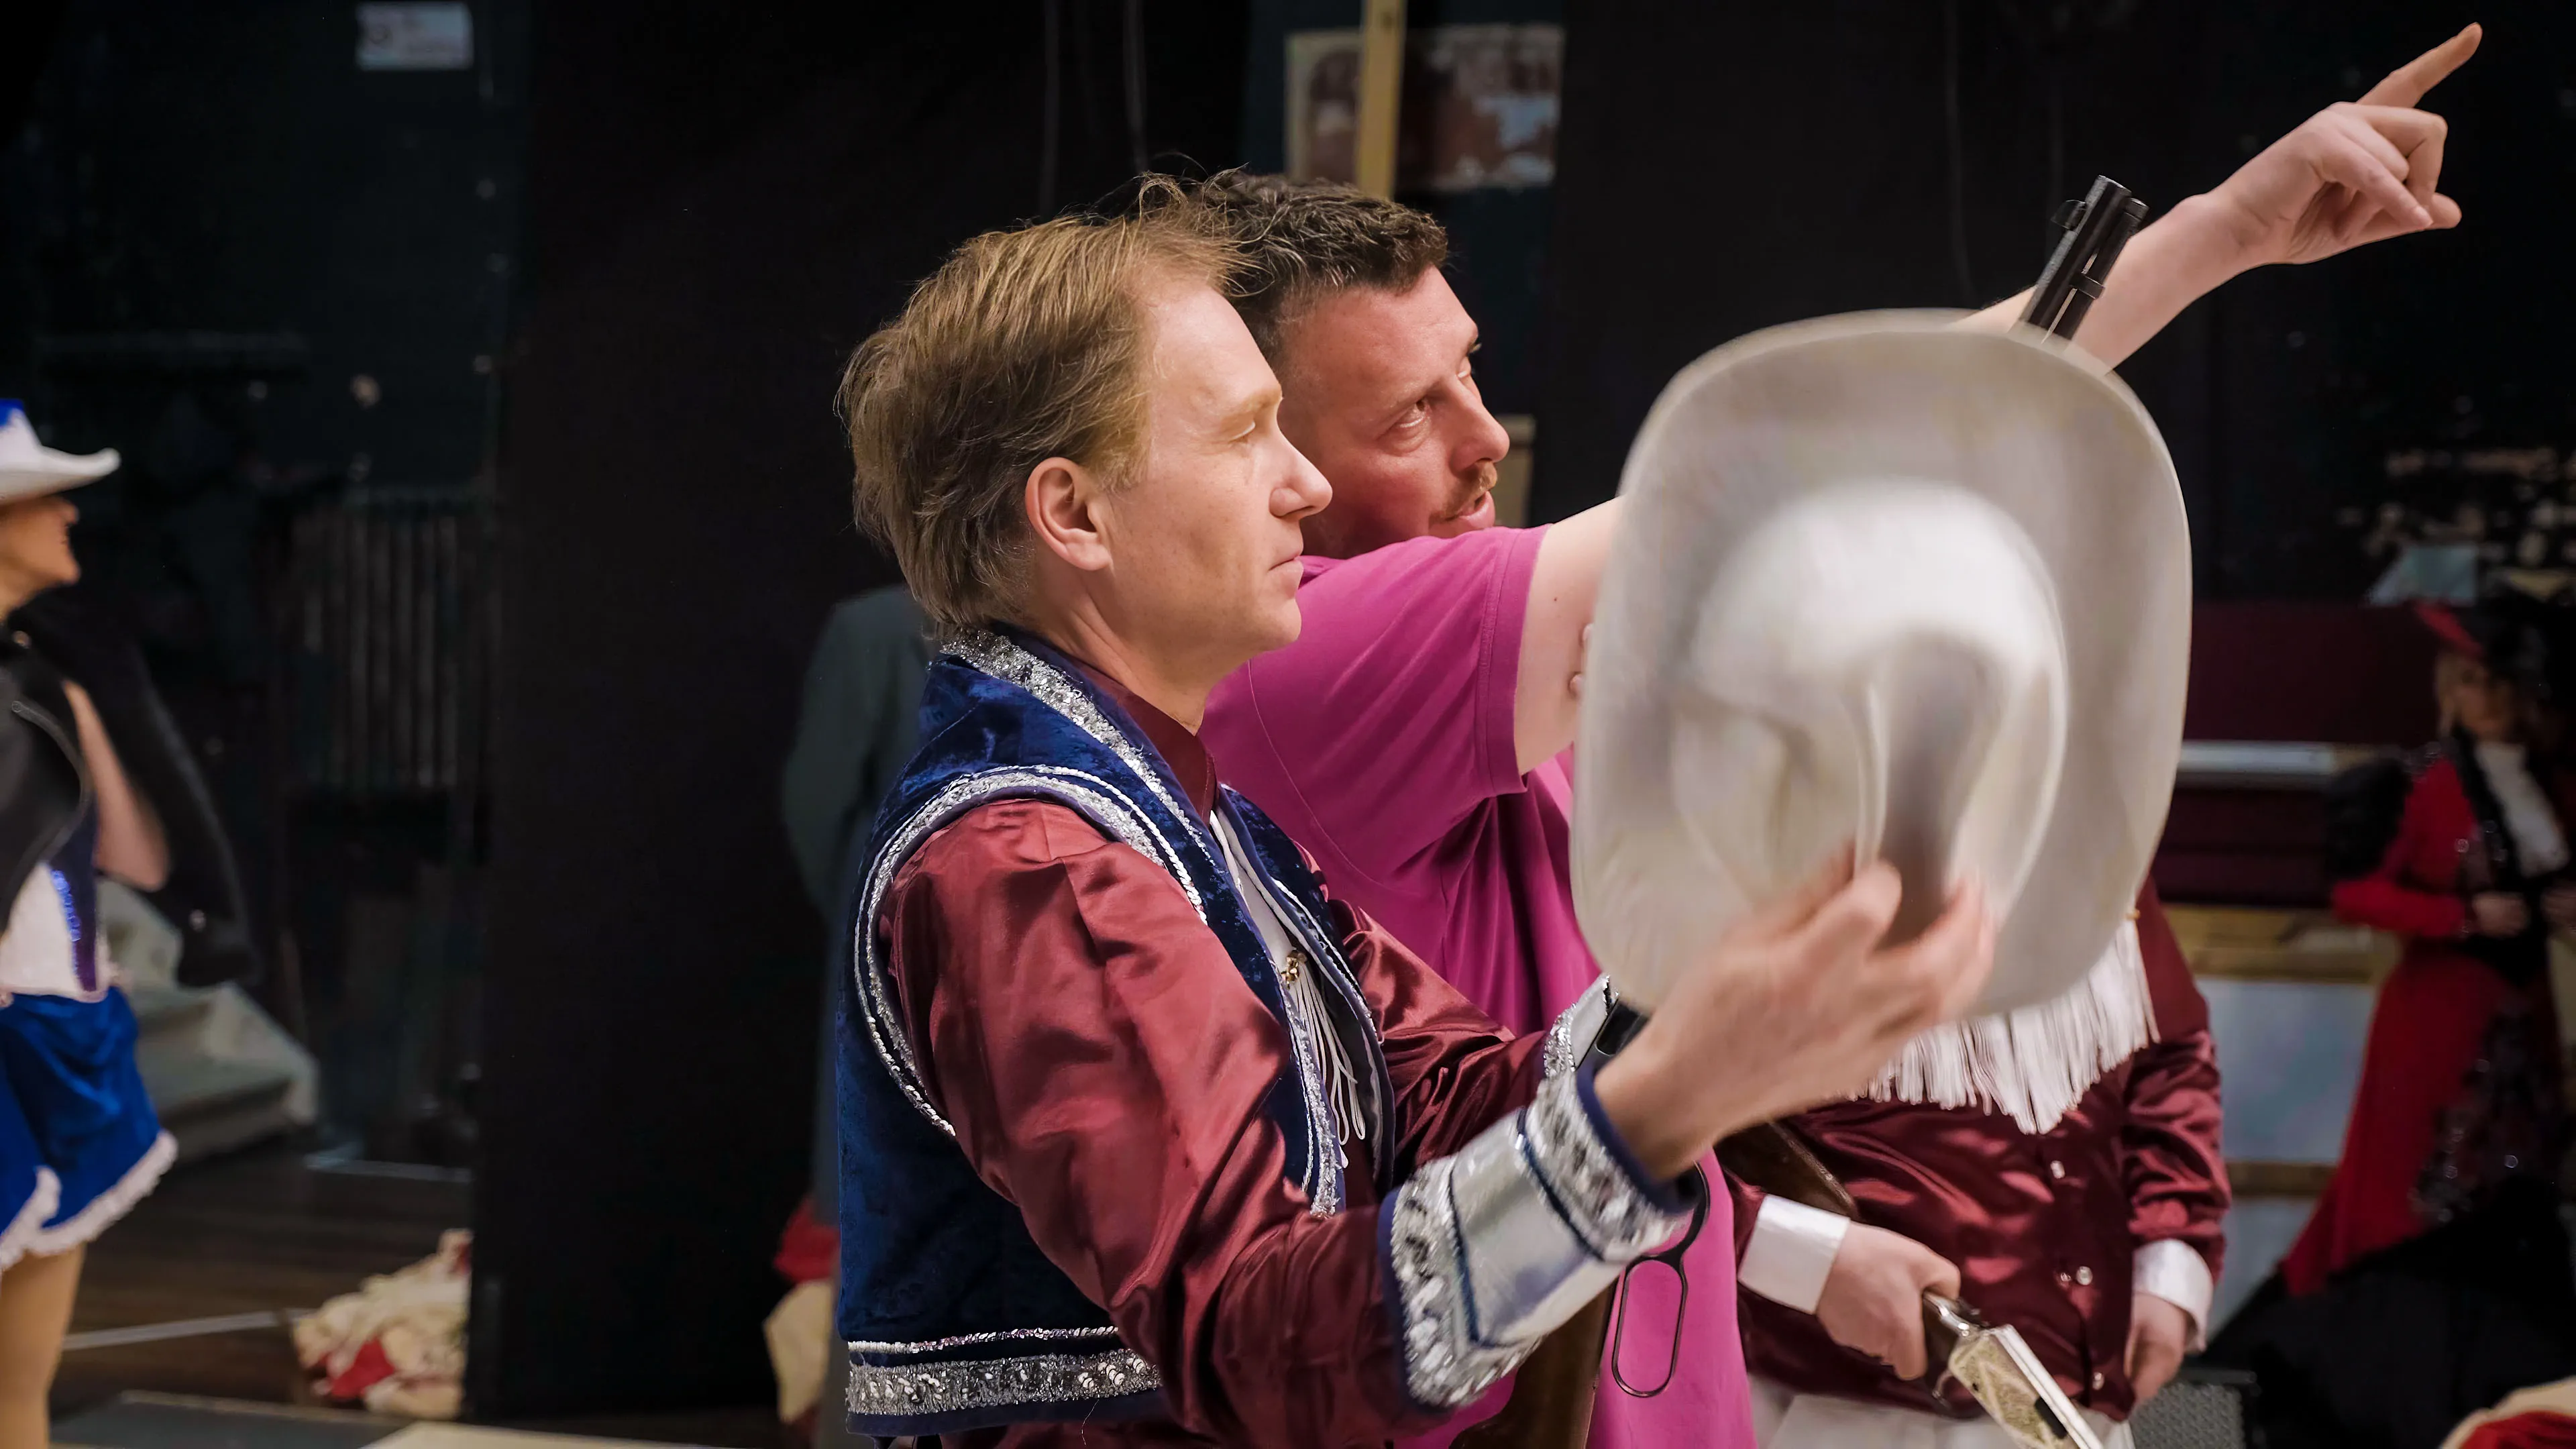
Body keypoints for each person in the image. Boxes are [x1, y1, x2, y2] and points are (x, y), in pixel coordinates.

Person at [1192, 25, 2478, 1445]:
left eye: (1469, 373)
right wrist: (2220, 235)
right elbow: (1802, 477)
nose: (1483, 436)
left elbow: (1582, 1088)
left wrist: (1807, 1252)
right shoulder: (1302, 658)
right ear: (1275, 468)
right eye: (1405, 416)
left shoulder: (1495, 707)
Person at [827, 193, 1994, 1447]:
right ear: (1074, 515)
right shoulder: (1034, 858)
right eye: (1244, 434)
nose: (1304, 484)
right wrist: (1666, 1096)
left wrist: (1703, 983)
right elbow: (1258, 1335)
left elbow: (1446, 1094)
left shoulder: (1189, 823)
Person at [2207, 592, 2576, 1449]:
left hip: (2525, 1017)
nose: (2480, 697)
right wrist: (2462, 919)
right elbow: (2356, 893)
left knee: (2514, 1190)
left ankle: (2490, 1390)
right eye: (2468, 681)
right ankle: (2385, 1396)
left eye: (2495, 683)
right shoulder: (2422, 783)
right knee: (2416, 1199)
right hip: (2436, 1020)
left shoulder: (2554, 785)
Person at [0, 402, 178, 1449]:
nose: (69, 511)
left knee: (19, 1384)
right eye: (41, 494)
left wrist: (91, 710)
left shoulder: (45, 686)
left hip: (64, 1022)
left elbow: (136, 860)